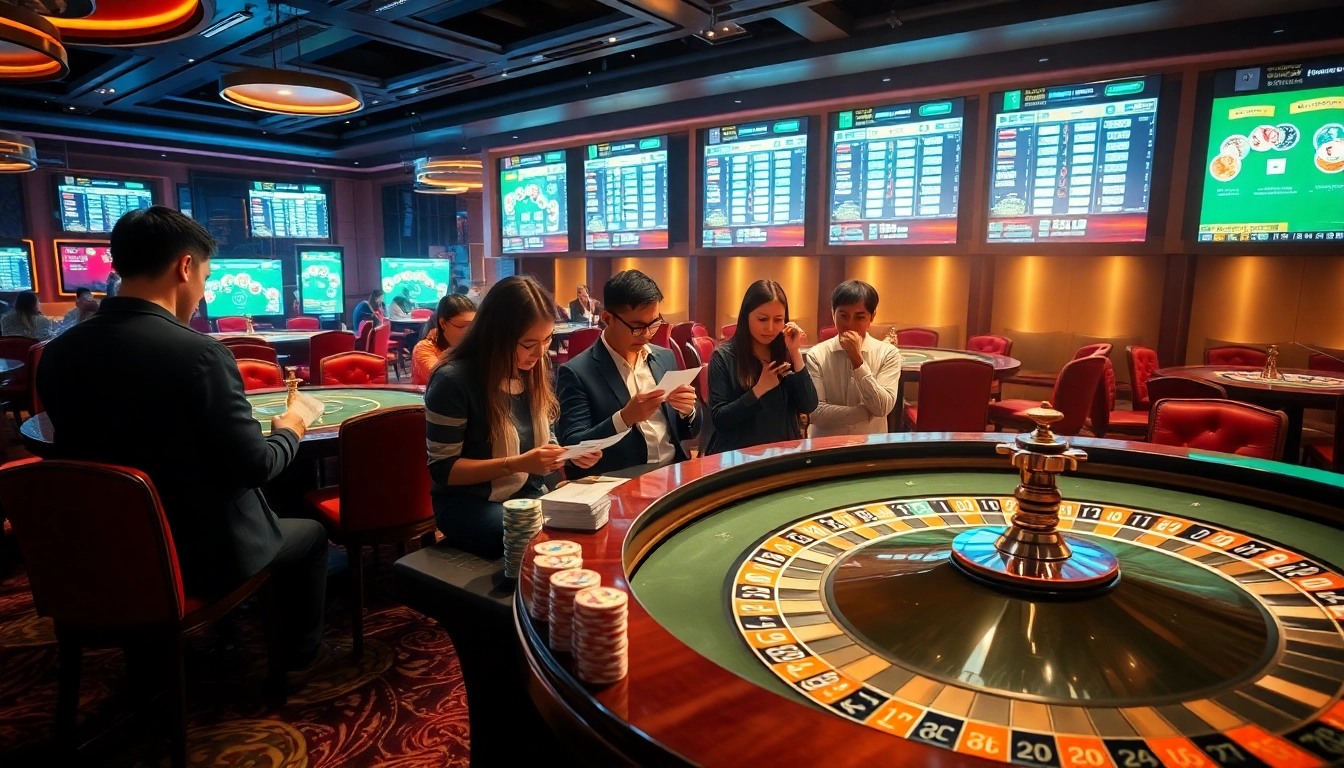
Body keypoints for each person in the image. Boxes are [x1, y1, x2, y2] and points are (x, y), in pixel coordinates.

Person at [37, 206, 328, 670]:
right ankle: (301, 659)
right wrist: (292, 425)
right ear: (185, 267)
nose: (203, 291)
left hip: (100, 547)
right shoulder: (200, 353)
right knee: (310, 533)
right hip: (198, 552)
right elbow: (255, 466)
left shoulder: (57, 351)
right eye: (207, 278)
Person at [425, 275, 601, 558]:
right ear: (496, 335)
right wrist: (517, 463)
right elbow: (443, 470)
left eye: (547, 340)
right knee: (541, 538)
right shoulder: (453, 380)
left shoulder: (534, 366)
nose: (540, 352)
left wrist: (566, 454)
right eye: (529, 343)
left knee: (590, 523)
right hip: (468, 503)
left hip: (529, 493)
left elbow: (545, 434)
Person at [557, 271, 699, 479]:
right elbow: (575, 446)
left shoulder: (664, 357)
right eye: (637, 327)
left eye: (654, 324)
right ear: (607, 319)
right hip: (621, 481)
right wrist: (624, 418)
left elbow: (688, 432)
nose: (647, 334)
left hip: (673, 471)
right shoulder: (577, 372)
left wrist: (688, 411)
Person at [706, 280, 817, 455]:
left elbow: (809, 404)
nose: (770, 328)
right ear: (746, 316)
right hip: (737, 458)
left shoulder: (786, 353)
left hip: (781, 456)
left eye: (778, 320)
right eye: (762, 319)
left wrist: (795, 352)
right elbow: (720, 419)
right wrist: (759, 390)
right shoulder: (724, 356)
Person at [806, 280, 902, 437]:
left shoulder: (888, 353)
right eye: (843, 316)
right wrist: (865, 413)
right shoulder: (816, 355)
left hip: (869, 446)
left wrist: (857, 360)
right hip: (825, 448)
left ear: (872, 317)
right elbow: (815, 412)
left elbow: (882, 408)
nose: (849, 324)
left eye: (859, 317)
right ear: (833, 313)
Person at [412, 294, 475, 386]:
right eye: (463, 326)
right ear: (442, 323)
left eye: (472, 325)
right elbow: (443, 378)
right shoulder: (424, 348)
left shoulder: (472, 344)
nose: (469, 331)